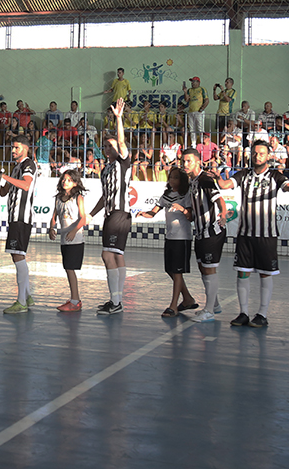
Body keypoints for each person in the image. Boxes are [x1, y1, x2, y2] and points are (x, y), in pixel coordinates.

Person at [210, 140, 289, 328]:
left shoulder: (275, 176)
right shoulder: (244, 174)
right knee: (242, 273)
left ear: (268, 156)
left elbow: (287, 186)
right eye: (254, 153)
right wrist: (216, 177)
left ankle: (262, 314)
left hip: (266, 235)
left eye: (261, 153)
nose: (257, 156)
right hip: (245, 234)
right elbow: (227, 184)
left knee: (265, 274)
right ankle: (243, 312)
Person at [89, 99, 132, 315]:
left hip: (119, 214)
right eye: (105, 145)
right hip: (111, 214)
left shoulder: (123, 162)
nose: (108, 148)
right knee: (116, 255)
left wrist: (118, 118)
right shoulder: (105, 170)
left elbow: (122, 143)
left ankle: (116, 302)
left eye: (111, 145)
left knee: (107, 256)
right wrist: (91, 214)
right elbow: (105, 196)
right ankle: (116, 300)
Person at [0, 135, 36, 314]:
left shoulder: (28, 164)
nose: (13, 150)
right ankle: (27, 296)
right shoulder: (16, 168)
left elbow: (26, 185)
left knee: (18, 256)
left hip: (21, 217)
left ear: (25, 148)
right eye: (12, 147)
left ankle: (21, 301)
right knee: (17, 255)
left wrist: (4, 176)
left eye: (16, 147)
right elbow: (4, 192)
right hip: (14, 217)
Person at [137, 167, 197, 317]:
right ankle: (188, 298)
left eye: (175, 177)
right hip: (170, 236)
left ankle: (173, 305)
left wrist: (183, 210)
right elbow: (154, 211)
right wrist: (144, 214)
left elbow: (190, 216)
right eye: (171, 177)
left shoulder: (186, 195)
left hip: (182, 238)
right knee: (170, 270)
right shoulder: (166, 195)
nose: (172, 180)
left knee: (177, 272)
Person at [181, 148, 227, 322]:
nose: (185, 164)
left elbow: (219, 199)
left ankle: (209, 310)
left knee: (209, 268)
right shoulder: (192, 182)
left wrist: (223, 215)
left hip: (212, 230)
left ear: (198, 161)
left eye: (189, 161)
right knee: (203, 268)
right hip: (201, 232)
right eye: (183, 161)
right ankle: (214, 304)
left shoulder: (205, 179)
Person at [48, 169, 88, 312]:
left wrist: (73, 230)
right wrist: (51, 227)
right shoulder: (58, 197)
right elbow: (54, 214)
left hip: (75, 239)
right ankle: (74, 298)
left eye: (69, 180)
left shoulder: (78, 197)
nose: (65, 182)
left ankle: (75, 300)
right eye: (64, 179)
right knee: (67, 267)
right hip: (65, 239)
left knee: (70, 268)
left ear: (75, 183)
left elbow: (83, 218)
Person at [182, 77, 208, 147]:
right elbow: (186, 100)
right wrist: (185, 91)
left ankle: (203, 143)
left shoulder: (202, 89)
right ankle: (193, 144)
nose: (192, 83)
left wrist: (201, 109)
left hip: (199, 112)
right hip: (191, 112)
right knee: (192, 129)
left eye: (194, 81)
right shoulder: (190, 90)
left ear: (198, 82)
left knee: (200, 128)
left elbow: (207, 100)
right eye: (192, 81)